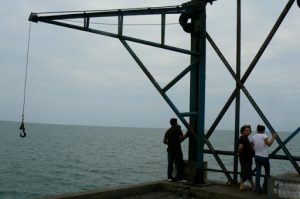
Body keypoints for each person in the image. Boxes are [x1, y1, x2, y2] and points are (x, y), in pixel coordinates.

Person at [251, 124, 276, 194]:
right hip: (264, 157)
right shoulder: (264, 135)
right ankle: (265, 188)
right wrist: (273, 137)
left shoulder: (253, 137)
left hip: (257, 156)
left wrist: (257, 151)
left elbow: (252, 148)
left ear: (258, 130)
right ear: (264, 130)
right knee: (267, 172)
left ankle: (258, 190)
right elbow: (269, 144)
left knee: (258, 173)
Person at [238, 125, 255, 191]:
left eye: (249, 130)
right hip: (245, 158)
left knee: (244, 171)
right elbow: (240, 147)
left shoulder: (245, 138)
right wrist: (239, 153)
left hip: (246, 158)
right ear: (242, 131)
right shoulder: (243, 138)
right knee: (248, 172)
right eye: (246, 130)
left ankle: (242, 186)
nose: (248, 131)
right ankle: (253, 186)